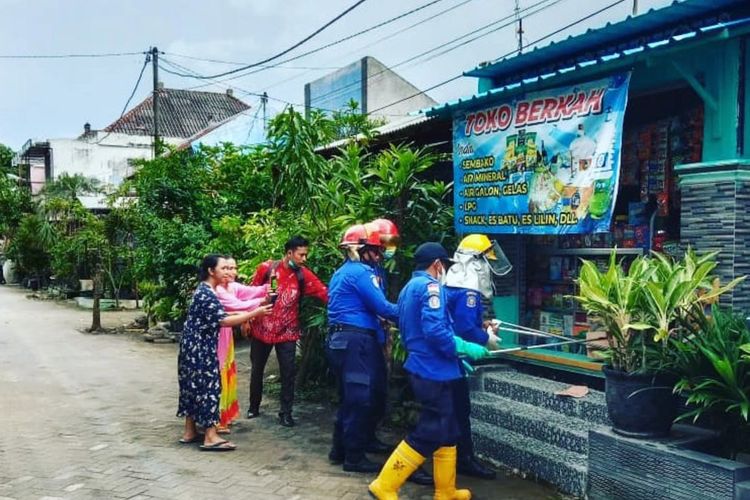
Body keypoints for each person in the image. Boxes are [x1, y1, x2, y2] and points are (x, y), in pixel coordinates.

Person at [369, 242, 489, 499]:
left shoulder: (408, 288)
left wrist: (455, 356)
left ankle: (445, 491)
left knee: (448, 429)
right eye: (444, 265)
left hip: (435, 366)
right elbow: (435, 331)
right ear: (437, 264)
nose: (444, 270)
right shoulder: (430, 286)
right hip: (431, 370)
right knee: (433, 429)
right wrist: (462, 346)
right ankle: (385, 484)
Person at [177, 254, 272, 451]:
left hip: (192, 348)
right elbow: (223, 321)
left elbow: (222, 315)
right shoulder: (207, 293)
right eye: (223, 268)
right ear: (211, 271)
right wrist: (255, 313)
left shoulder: (205, 291)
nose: (228, 272)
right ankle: (210, 436)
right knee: (209, 389)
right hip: (200, 350)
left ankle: (190, 431)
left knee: (193, 389)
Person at [326, 223, 399, 473]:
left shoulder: (346, 271)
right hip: (356, 341)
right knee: (360, 398)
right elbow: (384, 307)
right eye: (377, 251)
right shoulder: (360, 273)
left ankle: (344, 448)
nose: (380, 256)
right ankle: (353, 457)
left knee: (360, 395)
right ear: (362, 250)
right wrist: (413, 312)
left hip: (349, 340)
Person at [444, 234, 512, 480]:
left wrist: (483, 325)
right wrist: (487, 339)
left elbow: (462, 321)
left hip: (450, 355)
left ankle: (456, 459)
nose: (488, 267)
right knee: (459, 410)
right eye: (486, 261)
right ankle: (464, 461)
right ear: (475, 262)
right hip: (453, 358)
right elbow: (464, 328)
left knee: (453, 410)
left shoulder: (454, 282)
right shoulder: (467, 291)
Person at [247, 236, 328, 427]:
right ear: (289, 253)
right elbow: (250, 293)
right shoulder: (266, 268)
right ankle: (253, 406)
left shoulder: (303, 275)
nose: (304, 258)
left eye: (306, 254)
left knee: (288, 372)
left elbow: (323, 292)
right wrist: (247, 319)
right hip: (261, 328)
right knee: (257, 369)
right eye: (301, 254)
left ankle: (286, 413)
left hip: (288, 330)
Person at [214, 257, 269, 432]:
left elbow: (253, 291)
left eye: (233, 268)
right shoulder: (216, 290)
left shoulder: (231, 287)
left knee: (226, 372)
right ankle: (216, 420)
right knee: (219, 374)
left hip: (226, 334)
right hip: (215, 336)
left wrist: (274, 282)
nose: (231, 272)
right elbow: (238, 305)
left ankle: (224, 415)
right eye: (226, 268)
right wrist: (259, 307)